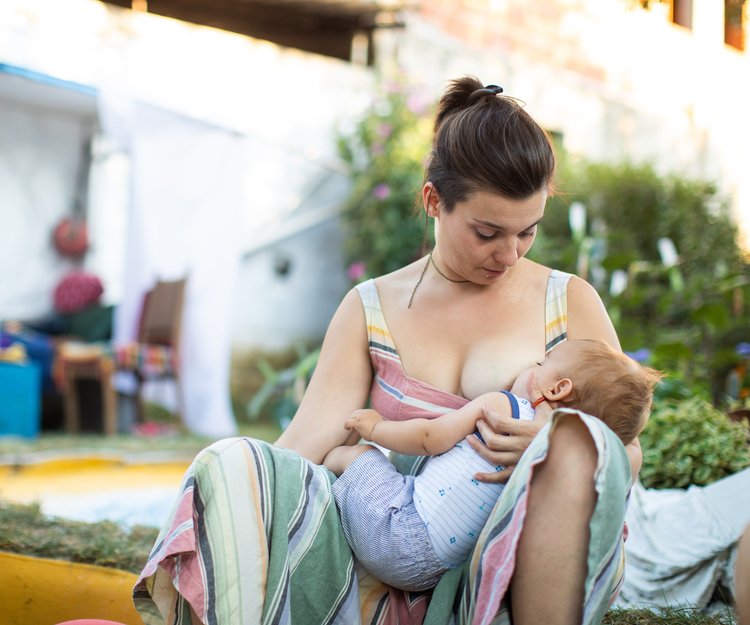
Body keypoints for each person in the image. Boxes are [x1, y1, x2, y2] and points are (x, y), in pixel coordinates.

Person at [133, 75, 643, 625]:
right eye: (487, 232)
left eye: (528, 232)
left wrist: (554, 447)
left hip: (517, 565)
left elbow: (628, 452)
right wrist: (248, 491)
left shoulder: (567, 301)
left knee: (572, 467)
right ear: (433, 201)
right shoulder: (369, 308)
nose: (510, 255)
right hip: (378, 558)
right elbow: (301, 449)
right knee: (234, 462)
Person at [323, 338, 659, 592]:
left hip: (400, 533)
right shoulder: (555, 468)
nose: (532, 367)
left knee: (357, 456)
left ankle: (325, 478)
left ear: (558, 388)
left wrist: (375, 427)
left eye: (542, 364)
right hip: (436, 572)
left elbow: (430, 437)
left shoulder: (506, 407)